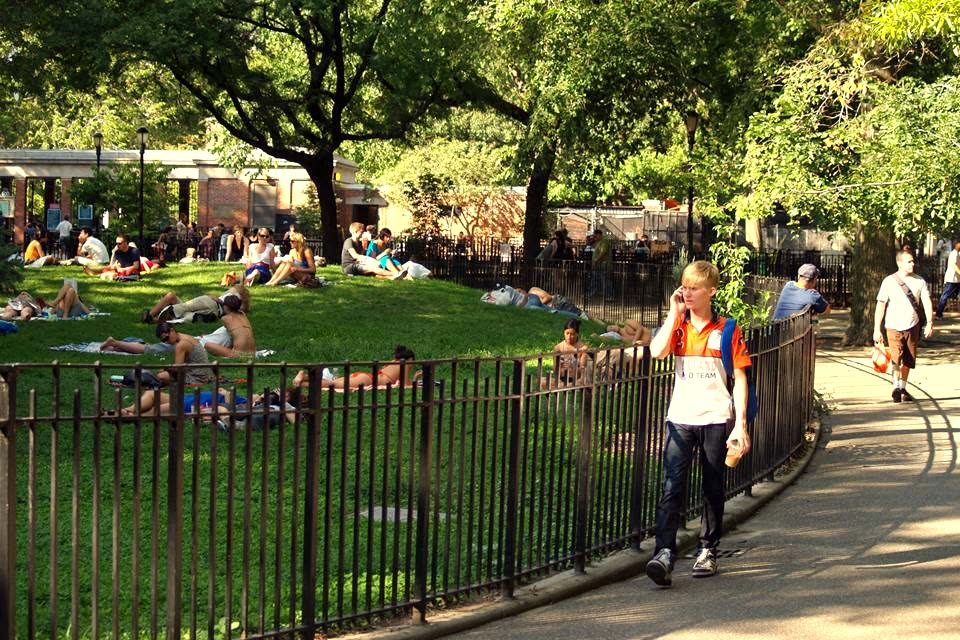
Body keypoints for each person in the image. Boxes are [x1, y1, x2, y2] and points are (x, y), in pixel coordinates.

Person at [645, 260, 752, 586]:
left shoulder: (727, 330)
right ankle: (664, 552)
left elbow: (740, 378)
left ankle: (708, 549)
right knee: (671, 487)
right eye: (685, 287)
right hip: (680, 418)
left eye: (694, 288)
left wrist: (740, 423)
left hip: (716, 418)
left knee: (712, 486)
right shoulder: (678, 328)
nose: (687, 293)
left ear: (711, 291)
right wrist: (672, 314)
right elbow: (657, 352)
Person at [873, 249, 934, 403]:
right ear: (899, 263)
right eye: (909, 261)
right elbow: (881, 305)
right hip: (893, 325)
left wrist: (929, 323)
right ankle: (895, 387)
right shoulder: (889, 281)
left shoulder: (920, 281)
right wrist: (876, 329)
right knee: (896, 357)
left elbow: (927, 302)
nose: (912, 264)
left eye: (913, 261)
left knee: (908, 359)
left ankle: (903, 387)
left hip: (912, 325)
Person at [301, 345, 419, 390]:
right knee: (332, 385)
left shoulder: (391, 362)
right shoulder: (405, 364)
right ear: (410, 359)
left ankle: (304, 381)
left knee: (331, 383)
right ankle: (303, 378)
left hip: (365, 376)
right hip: (367, 380)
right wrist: (416, 377)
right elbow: (406, 385)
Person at [142, 286, 250, 324]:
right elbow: (240, 310)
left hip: (212, 304)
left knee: (185, 308)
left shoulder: (237, 291)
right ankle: (152, 318)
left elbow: (223, 300)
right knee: (172, 298)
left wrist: (217, 299)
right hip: (213, 307)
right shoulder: (240, 299)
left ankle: (152, 317)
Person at [540, 319, 590, 389]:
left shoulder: (583, 348)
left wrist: (573, 366)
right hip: (562, 379)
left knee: (582, 382)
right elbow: (555, 369)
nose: (569, 337)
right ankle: (564, 386)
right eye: (567, 333)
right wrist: (560, 368)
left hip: (577, 379)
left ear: (577, 334)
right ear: (564, 332)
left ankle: (564, 387)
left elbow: (582, 370)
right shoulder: (558, 348)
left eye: (572, 334)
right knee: (541, 381)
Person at [935, 240, 960, 319]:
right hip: (952, 279)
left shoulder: (958, 253)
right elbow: (954, 266)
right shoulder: (953, 254)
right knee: (945, 296)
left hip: (957, 279)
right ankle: (938, 314)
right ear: (957, 244)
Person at [587, 227, 613, 298]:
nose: (595, 237)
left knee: (606, 281)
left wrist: (596, 260)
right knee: (595, 280)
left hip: (603, 265)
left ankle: (610, 295)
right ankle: (591, 294)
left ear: (600, 235)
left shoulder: (604, 241)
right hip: (597, 265)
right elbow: (591, 246)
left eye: (596, 236)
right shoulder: (598, 242)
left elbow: (603, 252)